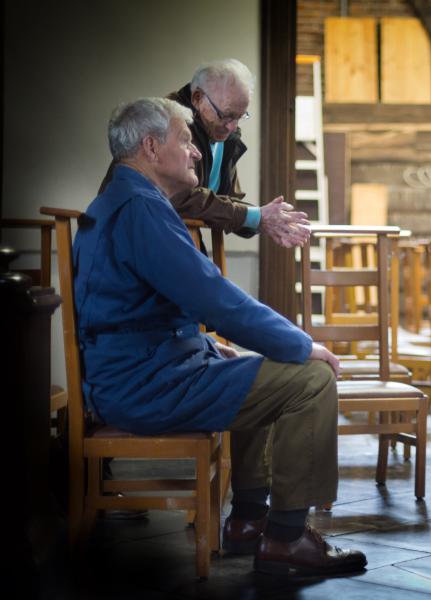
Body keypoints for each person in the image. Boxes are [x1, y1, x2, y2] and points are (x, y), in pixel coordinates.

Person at [75, 97, 365, 577]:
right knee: (309, 378)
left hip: (139, 375)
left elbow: (149, 308)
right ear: (150, 147)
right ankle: (288, 539)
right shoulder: (140, 209)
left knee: (256, 369)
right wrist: (301, 343)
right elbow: (214, 298)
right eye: (186, 141)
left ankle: (249, 523)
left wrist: (211, 346)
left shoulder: (127, 201)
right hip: (146, 386)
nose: (196, 153)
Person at [101, 58, 309, 248]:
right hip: (131, 241)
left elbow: (225, 202)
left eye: (239, 117)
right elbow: (177, 194)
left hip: (173, 237)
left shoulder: (225, 133)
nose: (231, 127)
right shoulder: (169, 121)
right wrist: (256, 216)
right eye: (226, 116)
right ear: (198, 98)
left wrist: (265, 220)